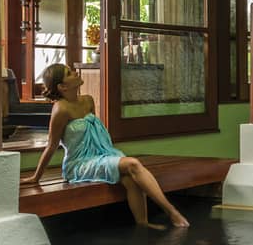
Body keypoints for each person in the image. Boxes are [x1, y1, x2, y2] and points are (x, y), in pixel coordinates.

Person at [23, 63, 190, 229]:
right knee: (133, 164)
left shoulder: (88, 101)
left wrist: (108, 155)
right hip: (79, 164)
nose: (75, 72)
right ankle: (172, 212)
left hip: (101, 155)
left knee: (130, 179)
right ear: (62, 86)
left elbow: (96, 134)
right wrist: (36, 177)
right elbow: (51, 145)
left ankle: (143, 225)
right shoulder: (60, 110)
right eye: (69, 73)